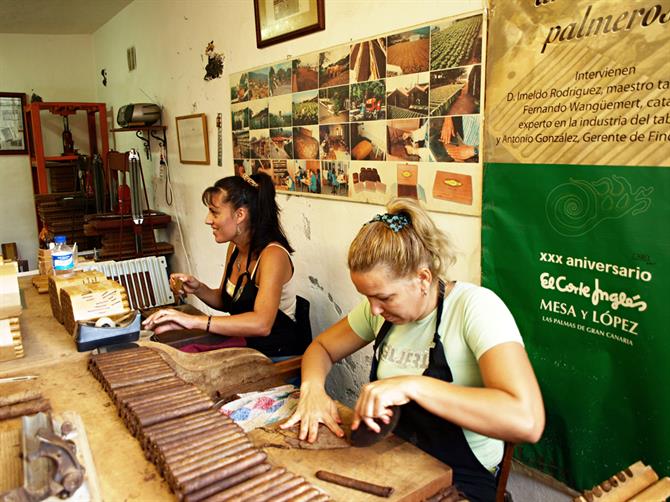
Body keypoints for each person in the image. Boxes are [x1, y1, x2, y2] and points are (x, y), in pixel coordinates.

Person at [282, 198, 544, 501]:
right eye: (367, 298)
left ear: (423, 278)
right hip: (397, 459)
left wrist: (413, 386)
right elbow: (322, 348)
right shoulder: (378, 311)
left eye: (384, 298)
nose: (374, 310)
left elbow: (527, 422)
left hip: (461, 481)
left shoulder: (476, 309)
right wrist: (313, 388)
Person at [143, 172, 303, 358]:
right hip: (247, 345)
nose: (207, 220)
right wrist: (198, 288)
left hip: (276, 355)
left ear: (240, 215)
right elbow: (226, 301)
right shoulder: (235, 247)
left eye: (215, 212)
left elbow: (262, 324)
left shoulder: (273, 256)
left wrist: (192, 321)